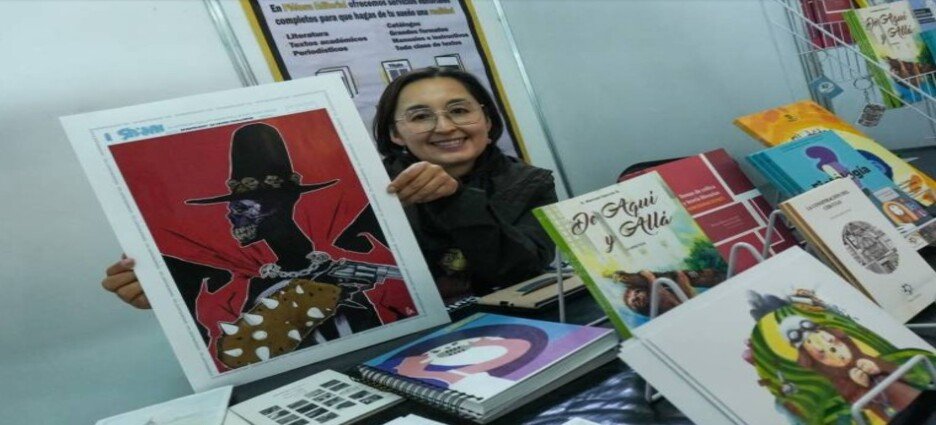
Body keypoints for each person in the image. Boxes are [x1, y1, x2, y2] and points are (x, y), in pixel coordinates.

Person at [102, 66, 557, 309]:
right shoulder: (359, 191)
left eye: (460, 110)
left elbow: (524, 273)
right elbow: (289, 262)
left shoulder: (530, 183)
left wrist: (456, 201)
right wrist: (165, 292)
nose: (445, 126)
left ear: (486, 120)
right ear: (395, 133)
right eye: (420, 116)